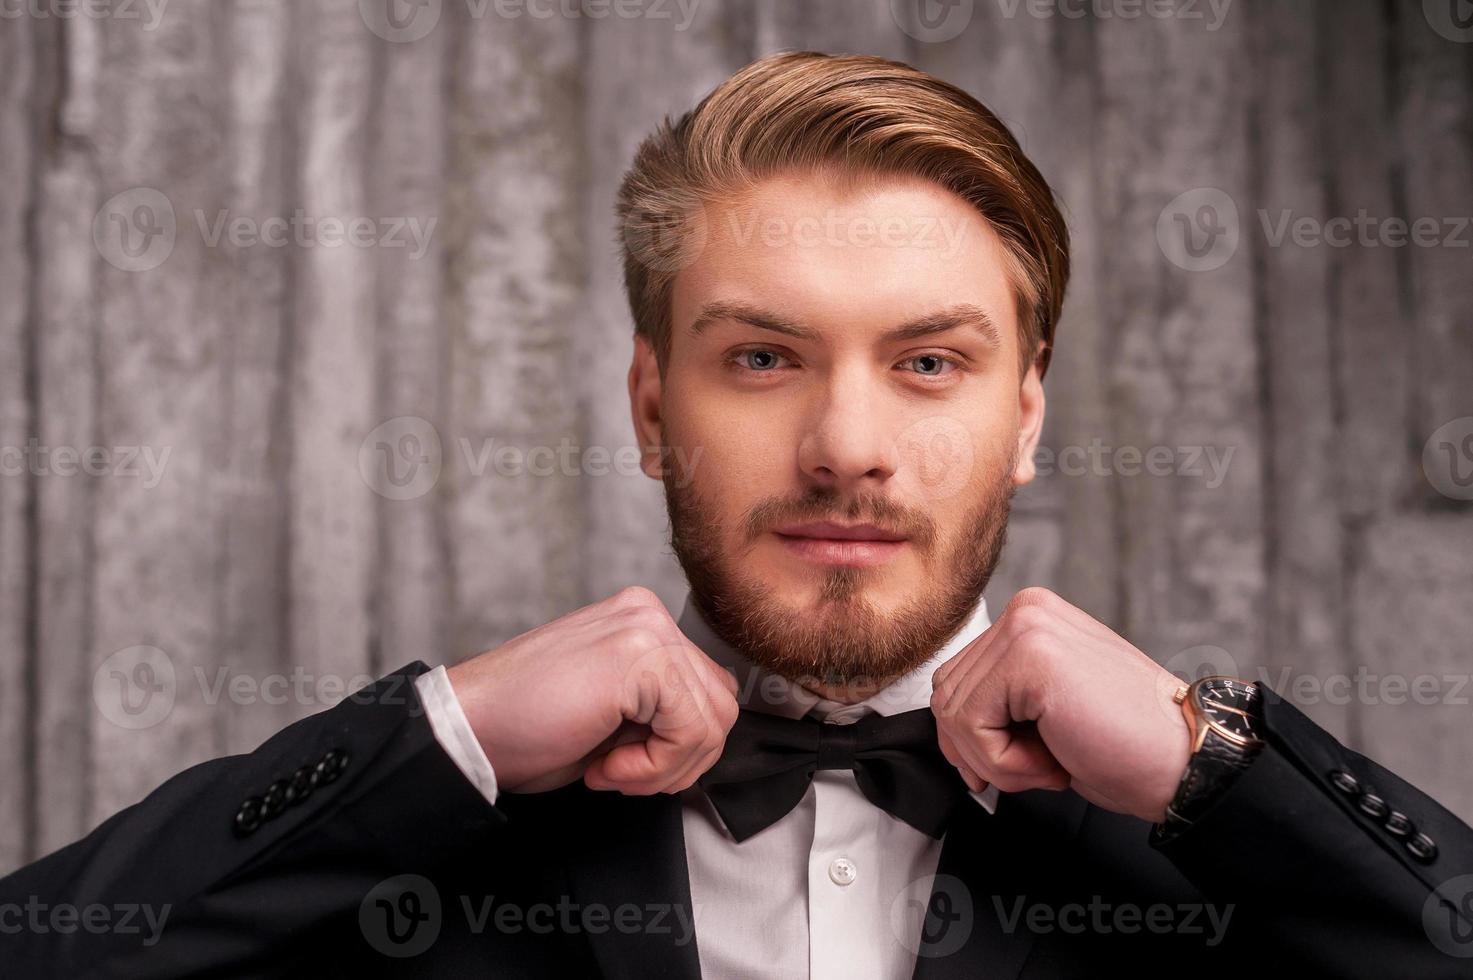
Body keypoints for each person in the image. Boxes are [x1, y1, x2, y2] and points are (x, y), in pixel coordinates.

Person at [3, 51, 1470, 979]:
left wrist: (1223, 770)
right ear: (651, 406)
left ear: (1024, 416)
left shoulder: (1225, 863)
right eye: (761, 358)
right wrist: (435, 735)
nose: (845, 449)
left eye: (929, 364)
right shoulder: (410, 850)